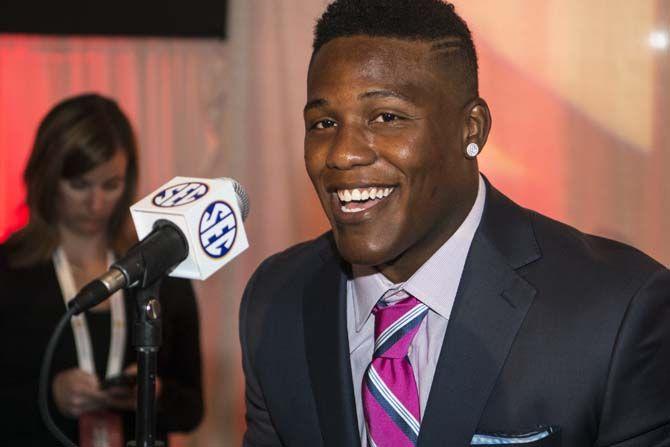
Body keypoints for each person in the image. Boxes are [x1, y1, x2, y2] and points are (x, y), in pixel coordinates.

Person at [239, 1, 670, 446]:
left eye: (386, 117)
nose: (342, 153)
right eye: (324, 122)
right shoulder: (276, 300)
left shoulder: (620, 311)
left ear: (472, 129)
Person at [0, 93, 203, 446]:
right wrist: (49, 397)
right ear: (46, 179)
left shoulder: (160, 266)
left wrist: (152, 392)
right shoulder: (9, 272)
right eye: (79, 185)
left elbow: (192, 409)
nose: (96, 204)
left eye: (111, 185)